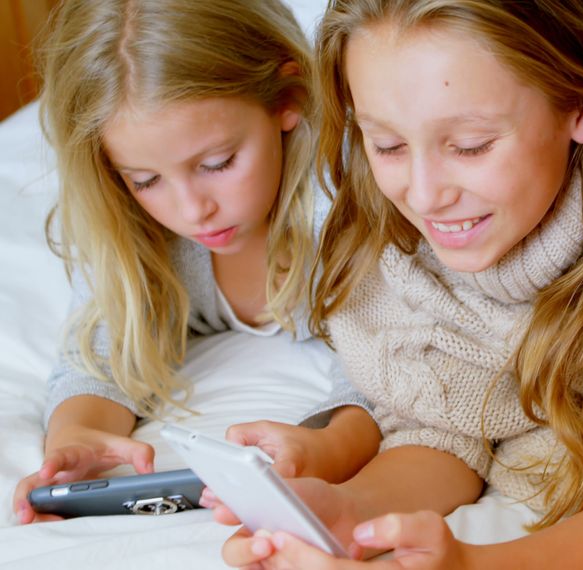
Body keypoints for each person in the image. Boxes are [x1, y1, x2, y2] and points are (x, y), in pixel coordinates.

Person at [212, 0, 583, 567]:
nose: (424, 196)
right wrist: (351, 511)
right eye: (388, 145)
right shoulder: (397, 242)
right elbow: (443, 425)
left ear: (578, 105)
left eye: (470, 145)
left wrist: (471, 563)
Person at [11, 0, 379, 525]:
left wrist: (332, 444)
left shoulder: (343, 197)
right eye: (145, 179)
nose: (191, 210)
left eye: (217, 164)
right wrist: (75, 438)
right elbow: (101, 349)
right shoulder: (132, 220)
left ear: (288, 99)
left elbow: (392, 365)